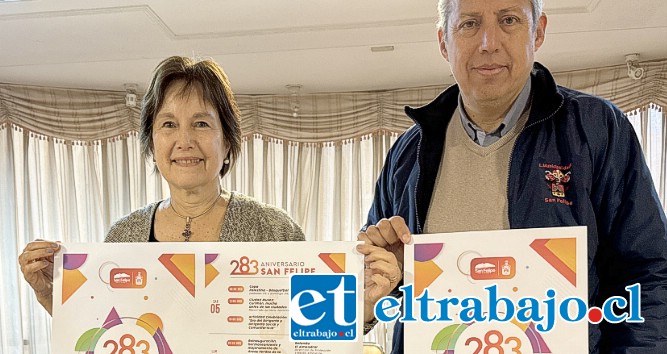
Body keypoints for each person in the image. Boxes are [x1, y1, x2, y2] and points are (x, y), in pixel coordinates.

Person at [360, 0, 667, 354]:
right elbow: (375, 288)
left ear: (538, 31)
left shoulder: (596, 129)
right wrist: (376, 296)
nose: (488, 42)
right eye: (469, 23)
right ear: (444, 41)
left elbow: (649, 276)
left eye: (508, 20)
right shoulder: (409, 153)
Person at [18, 56, 401, 327]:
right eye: (168, 124)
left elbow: (313, 328)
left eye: (201, 123)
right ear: (152, 141)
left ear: (227, 140)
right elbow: (104, 330)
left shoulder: (274, 229)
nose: (184, 141)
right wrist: (51, 295)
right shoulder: (122, 236)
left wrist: (365, 305)